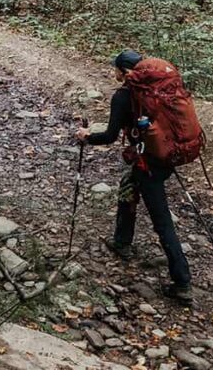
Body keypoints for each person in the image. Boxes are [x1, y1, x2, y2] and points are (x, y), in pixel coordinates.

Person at [75, 49, 193, 304]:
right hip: (167, 155)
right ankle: (122, 241)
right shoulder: (162, 90)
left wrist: (87, 136)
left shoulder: (124, 96)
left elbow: (109, 136)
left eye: (116, 69)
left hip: (149, 161)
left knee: (162, 221)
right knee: (128, 184)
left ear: (125, 73)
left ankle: (182, 282)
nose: (114, 72)